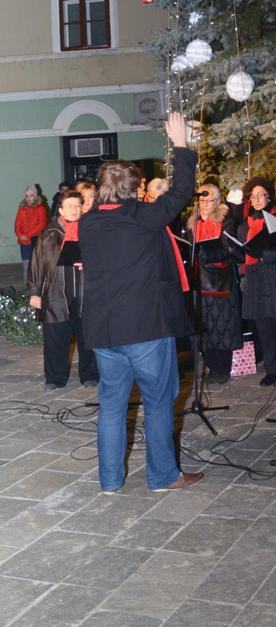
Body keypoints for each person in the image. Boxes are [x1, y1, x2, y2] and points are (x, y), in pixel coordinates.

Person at [78, 112, 203, 493]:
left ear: (102, 189)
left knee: (112, 405)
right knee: (159, 401)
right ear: (136, 190)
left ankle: (110, 480)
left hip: (105, 331)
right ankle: (163, 476)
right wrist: (180, 144)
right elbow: (182, 192)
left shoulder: (88, 222)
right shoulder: (144, 217)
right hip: (145, 328)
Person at [28, 190, 99, 389]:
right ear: (60, 210)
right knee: (55, 338)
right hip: (56, 294)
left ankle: (90, 374)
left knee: (88, 336)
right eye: (69, 206)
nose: (74, 210)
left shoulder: (91, 230)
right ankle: (55, 378)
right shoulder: (49, 233)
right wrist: (35, 292)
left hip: (86, 293)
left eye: (77, 206)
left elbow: (104, 258)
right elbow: (37, 263)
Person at [236, 176, 276, 387]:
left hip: (275, 277)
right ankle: (271, 369)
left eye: (261, 195)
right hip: (255, 279)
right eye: (253, 196)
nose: (257, 199)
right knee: (264, 328)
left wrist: (262, 255)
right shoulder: (245, 224)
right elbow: (243, 250)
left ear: (269, 196)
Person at [185, 182, 242, 384]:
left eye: (209, 201)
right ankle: (211, 366)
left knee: (223, 326)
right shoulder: (192, 222)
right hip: (200, 282)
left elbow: (229, 249)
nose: (205, 204)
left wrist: (204, 253)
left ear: (218, 201)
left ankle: (223, 368)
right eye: (202, 200)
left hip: (221, 281)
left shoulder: (226, 220)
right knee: (206, 327)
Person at [14, 184, 49, 285]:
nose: (28, 198)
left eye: (31, 195)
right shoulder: (22, 208)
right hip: (24, 241)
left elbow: (42, 224)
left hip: (35, 239)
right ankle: (27, 285)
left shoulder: (40, 208)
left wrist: (28, 235)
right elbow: (17, 223)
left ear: (35, 196)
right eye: (26, 196)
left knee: (35, 263)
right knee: (26, 264)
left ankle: (37, 284)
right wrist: (20, 234)